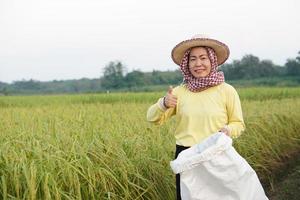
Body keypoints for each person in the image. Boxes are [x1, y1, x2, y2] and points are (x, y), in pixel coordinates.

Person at [146, 34, 245, 200]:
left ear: (212, 61)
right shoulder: (179, 92)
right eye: (193, 59)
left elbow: (238, 123)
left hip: (217, 153)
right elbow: (152, 118)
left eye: (203, 58)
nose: (198, 64)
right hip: (187, 157)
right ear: (187, 64)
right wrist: (164, 103)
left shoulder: (227, 90)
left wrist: (228, 130)